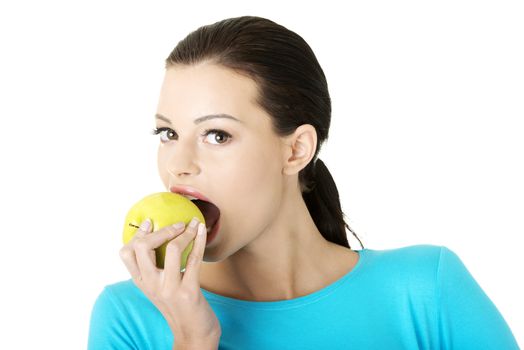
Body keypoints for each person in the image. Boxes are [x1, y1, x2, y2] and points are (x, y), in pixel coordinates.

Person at [88, 16, 519, 349]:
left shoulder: (426, 289)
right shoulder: (130, 316)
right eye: (168, 134)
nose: (178, 165)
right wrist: (193, 339)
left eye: (217, 135)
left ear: (296, 150)